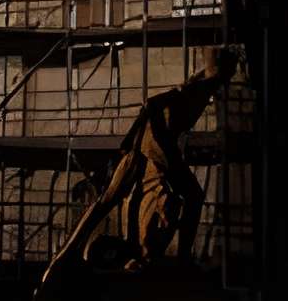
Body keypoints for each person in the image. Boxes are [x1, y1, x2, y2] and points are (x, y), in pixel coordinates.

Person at [43, 46, 240, 282]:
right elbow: (152, 103)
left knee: (108, 198)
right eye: (228, 74)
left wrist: (130, 142)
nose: (228, 81)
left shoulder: (200, 84)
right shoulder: (202, 87)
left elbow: (153, 105)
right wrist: (137, 141)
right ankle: (183, 260)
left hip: (145, 144)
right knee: (193, 196)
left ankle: (68, 252)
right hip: (156, 143)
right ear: (222, 72)